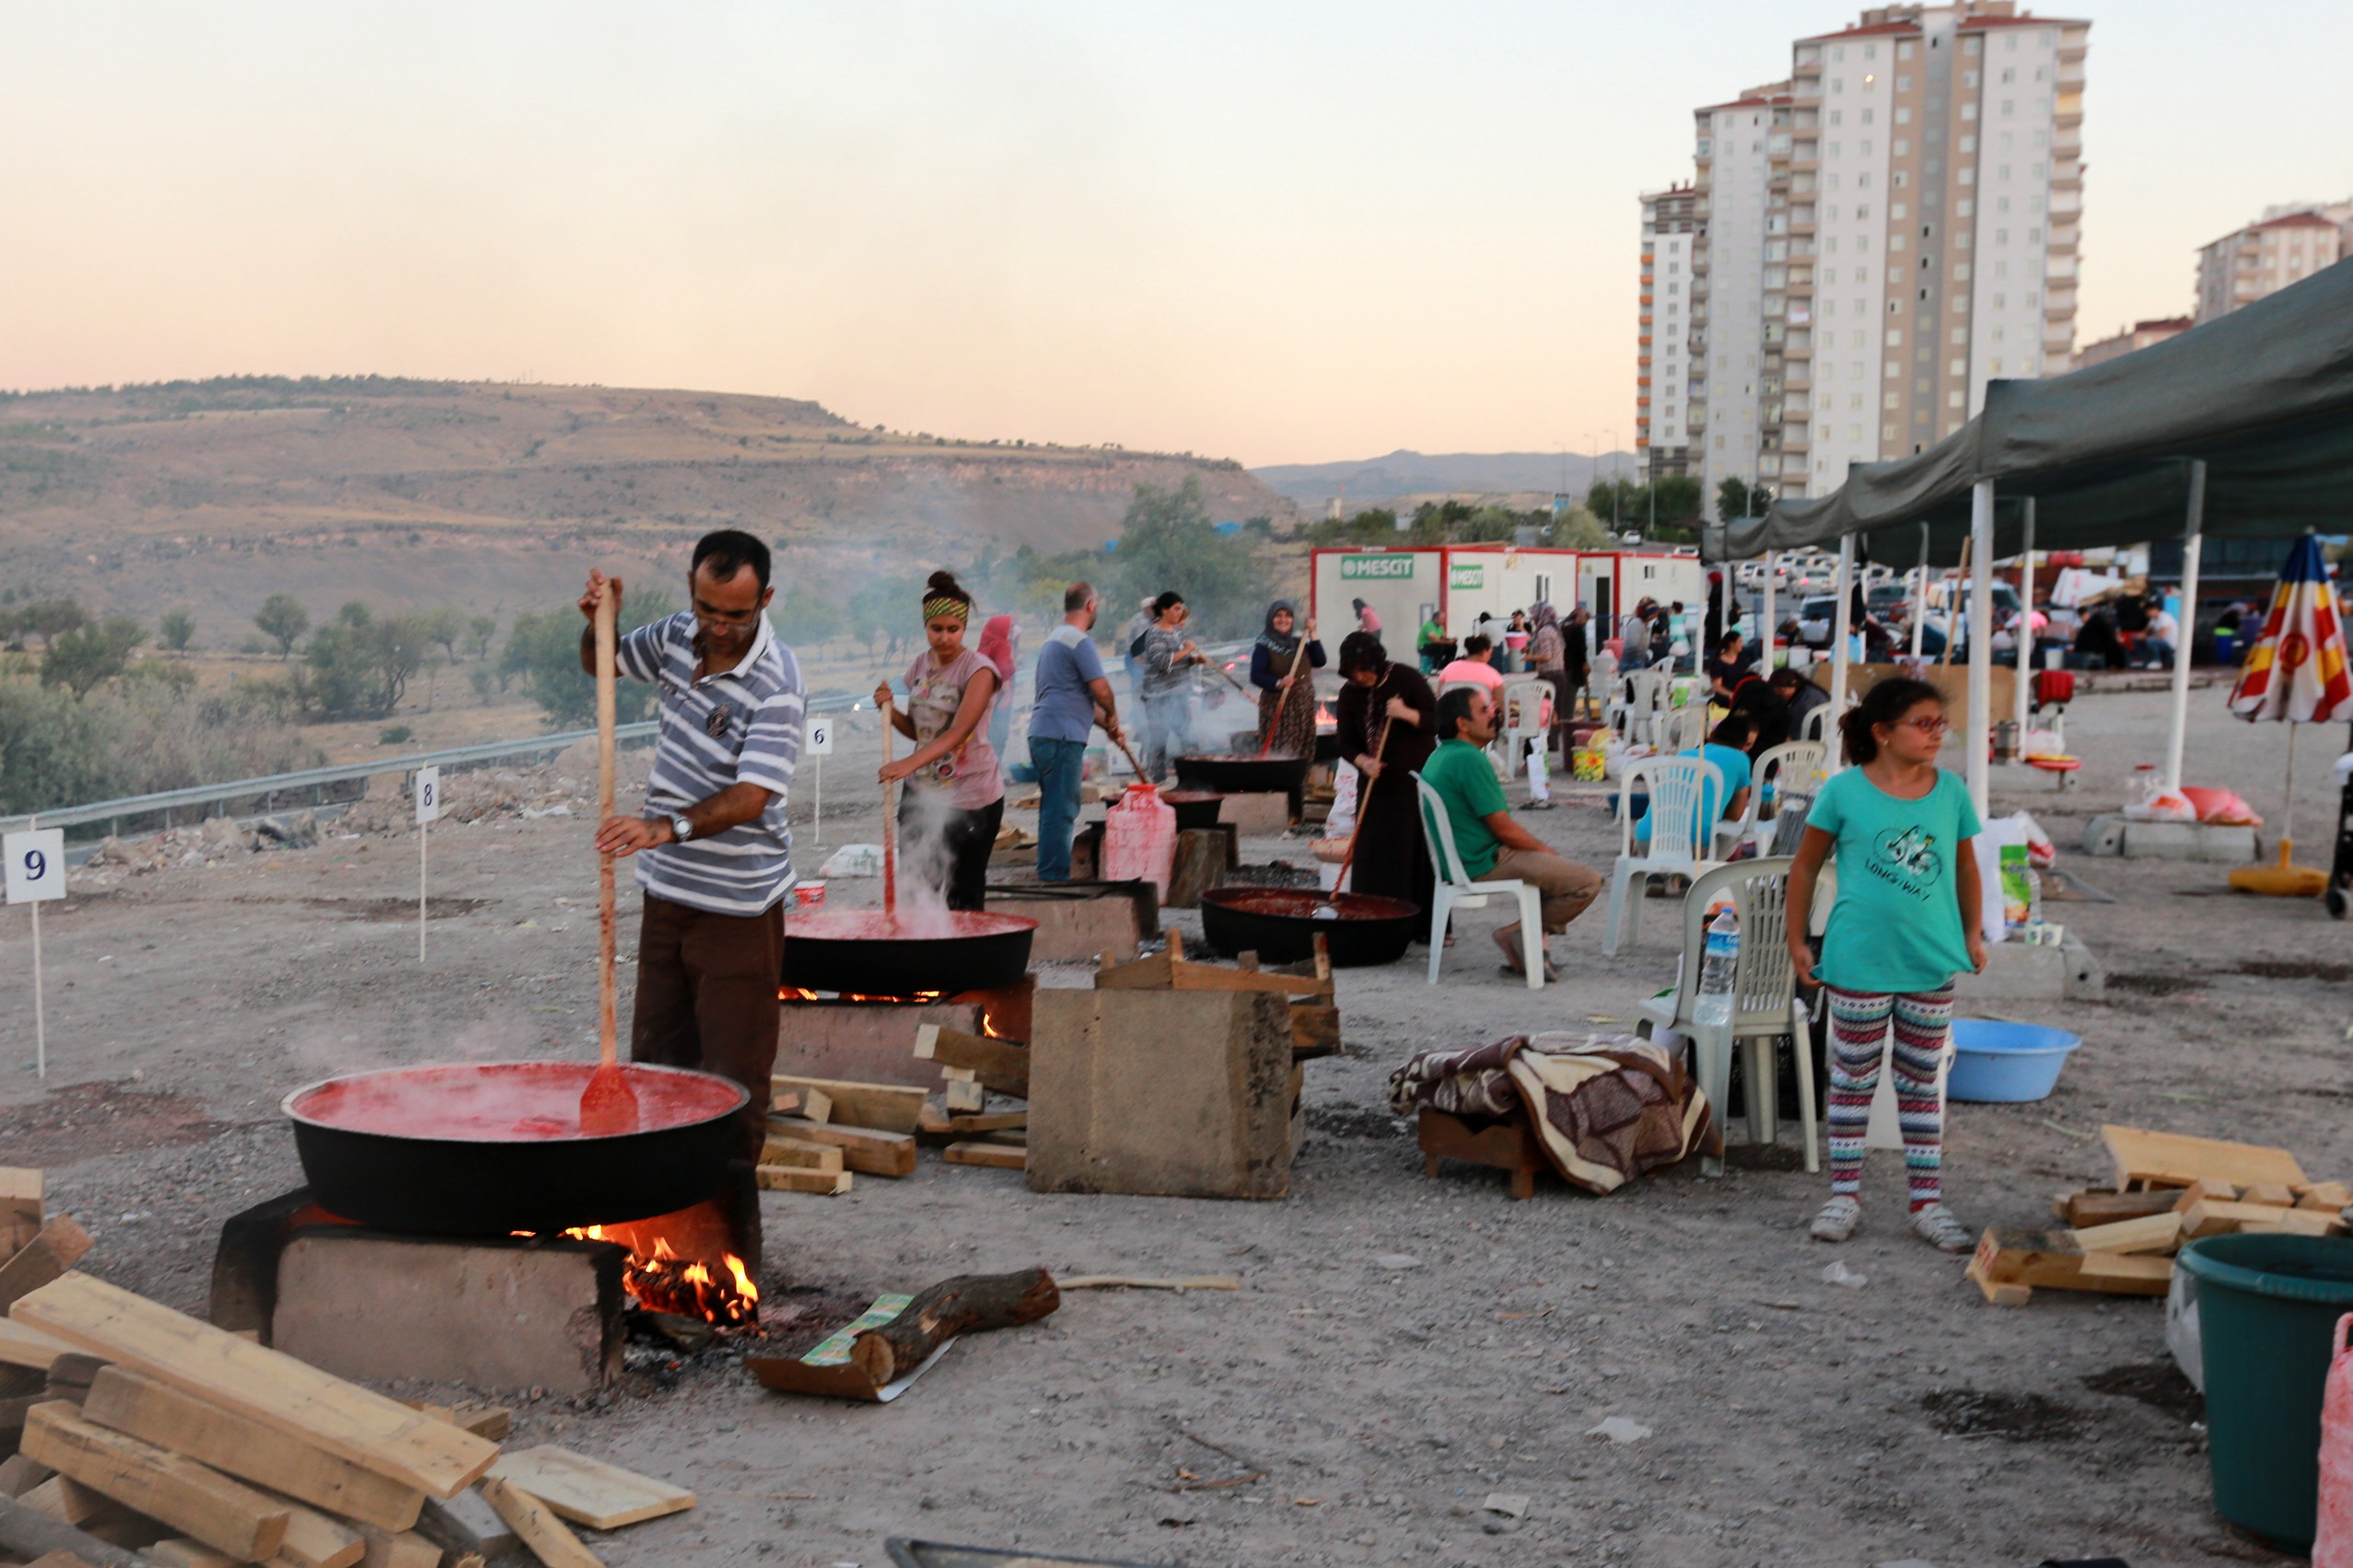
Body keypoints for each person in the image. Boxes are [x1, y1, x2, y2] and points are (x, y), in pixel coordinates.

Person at [582, 529, 804, 1164]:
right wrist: (603, 624)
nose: (720, 626)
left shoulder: (778, 681)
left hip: (737, 905)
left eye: (736, 614)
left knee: (731, 1076)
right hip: (666, 895)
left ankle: (729, 1233)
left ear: (764, 597)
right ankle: (659, 1221)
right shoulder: (675, 636)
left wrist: (664, 827)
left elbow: (752, 796)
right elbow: (603, 664)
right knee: (658, 1063)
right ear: (691, 588)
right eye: (709, 609)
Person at [1786, 677, 1986, 1253]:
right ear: (1882, 732)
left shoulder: (1951, 793)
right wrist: (1798, 940)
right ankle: (1842, 1196)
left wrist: (1973, 932)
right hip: (1856, 961)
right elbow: (1803, 868)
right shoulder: (1843, 792)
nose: (1936, 734)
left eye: (1939, 724)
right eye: (1924, 724)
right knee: (1852, 1079)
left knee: (1921, 1082)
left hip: (1930, 961)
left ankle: (1927, 1204)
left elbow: (1967, 869)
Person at [1420, 686, 1602, 979]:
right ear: (1462, 724)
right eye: (1484, 710)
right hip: (1484, 861)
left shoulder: (1442, 755)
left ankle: (1529, 947)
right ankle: (1516, 933)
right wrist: (1546, 852)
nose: (1494, 714)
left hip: (1466, 858)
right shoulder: (1470, 759)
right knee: (1586, 881)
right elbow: (1504, 828)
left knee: (1551, 872)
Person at [874, 572, 1006, 912]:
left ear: (964, 629)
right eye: (936, 629)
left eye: (953, 629)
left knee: (962, 894)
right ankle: (921, 957)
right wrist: (888, 709)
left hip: (970, 795)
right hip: (922, 791)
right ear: (925, 626)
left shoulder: (979, 670)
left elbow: (959, 732)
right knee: (918, 885)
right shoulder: (920, 663)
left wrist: (907, 764)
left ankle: (965, 963)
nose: (944, 637)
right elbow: (921, 732)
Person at [1333, 632, 1438, 919]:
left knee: (1415, 852)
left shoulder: (1406, 678)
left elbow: (1436, 719)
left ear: (1376, 662)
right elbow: (1344, 742)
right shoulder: (1349, 693)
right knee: (1374, 853)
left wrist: (1406, 713)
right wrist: (1363, 761)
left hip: (1413, 783)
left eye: (1364, 670)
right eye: (1353, 672)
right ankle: (1374, 914)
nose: (1360, 678)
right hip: (1375, 787)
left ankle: (1421, 922)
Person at [1029, 582, 1124, 882]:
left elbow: (1076, 699)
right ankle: (1054, 877)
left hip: (1044, 734)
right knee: (1062, 810)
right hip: (1062, 737)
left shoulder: (1054, 640)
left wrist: (1107, 726)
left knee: (1053, 808)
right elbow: (1101, 690)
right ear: (1091, 605)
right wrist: (1113, 715)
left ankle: (1049, 872)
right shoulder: (1079, 641)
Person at [1635, 712, 1753, 849]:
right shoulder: (1740, 759)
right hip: (1695, 847)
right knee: (1735, 833)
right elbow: (1735, 816)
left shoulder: (1683, 754)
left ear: (1712, 736)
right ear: (1743, 745)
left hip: (1647, 841)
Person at [1137, 590, 1206, 780]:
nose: (1179, 613)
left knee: (1187, 737)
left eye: (1181, 609)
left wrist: (1193, 660)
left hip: (1179, 693)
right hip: (1158, 697)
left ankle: (1193, 778)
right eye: (1176, 609)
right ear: (1164, 610)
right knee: (1159, 740)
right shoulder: (1153, 634)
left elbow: (1179, 660)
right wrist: (1187, 650)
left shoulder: (1177, 632)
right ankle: (1158, 780)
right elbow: (1163, 662)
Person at [1249, 599, 1325, 756]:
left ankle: (1300, 777)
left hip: (1303, 707)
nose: (1283, 620)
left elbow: (1320, 660)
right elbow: (1256, 675)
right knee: (1280, 749)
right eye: (1278, 616)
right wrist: (1278, 683)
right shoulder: (1264, 645)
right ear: (1271, 619)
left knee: (1303, 750)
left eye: (1288, 616)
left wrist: (1313, 633)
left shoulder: (1299, 641)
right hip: (1279, 706)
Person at [979, 613, 1019, 762]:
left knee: (987, 733)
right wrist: (1008, 694)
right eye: (1009, 627)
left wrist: (1015, 642)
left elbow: (1010, 663)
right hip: (1000, 695)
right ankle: (995, 771)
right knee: (999, 733)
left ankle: (989, 770)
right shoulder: (1001, 644)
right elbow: (1003, 670)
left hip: (987, 694)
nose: (1011, 630)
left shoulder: (988, 643)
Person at [1771, 665, 1829, 743]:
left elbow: (1792, 741)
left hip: (1810, 744)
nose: (1779, 695)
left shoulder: (1803, 703)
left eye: (1781, 690)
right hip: (1825, 738)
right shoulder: (1809, 690)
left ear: (1794, 683)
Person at [1437, 633, 1508, 696]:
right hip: (1479, 709)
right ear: (1484, 652)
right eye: (1490, 654)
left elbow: (1440, 695)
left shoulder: (1449, 668)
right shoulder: (1492, 673)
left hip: (1452, 710)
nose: (1490, 657)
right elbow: (1504, 704)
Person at [1706, 631, 1749, 703]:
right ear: (1732, 644)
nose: (1742, 644)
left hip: (1741, 695)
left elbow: (1748, 674)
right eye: (1740, 642)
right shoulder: (1719, 663)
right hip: (1726, 699)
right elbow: (1717, 687)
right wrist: (1730, 694)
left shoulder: (1742, 658)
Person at [2142, 598, 2180, 668]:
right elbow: (2146, 631)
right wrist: (2141, 636)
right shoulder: (2153, 619)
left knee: (2150, 640)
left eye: (2148, 611)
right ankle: (2145, 661)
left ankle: (2157, 661)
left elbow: (2162, 635)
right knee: (2136, 639)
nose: (2147, 614)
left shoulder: (2165, 617)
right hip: (2161, 642)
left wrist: (2146, 637)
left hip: (2170, 644)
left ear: (2155, 609)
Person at [1417, 609, 1448, 673]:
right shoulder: (1429, 625)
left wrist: (1451, 641)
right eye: (1442, 619)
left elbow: (1443, 638)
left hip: (1433, 646)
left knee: (1453, 646)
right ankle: (1435, 667)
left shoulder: (1441, 627)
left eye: (1444, 619)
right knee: (1439, 645)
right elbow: (1435, 640)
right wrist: (1448, 642)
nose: (1443, 621)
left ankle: (1445, 665)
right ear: (1435, 619)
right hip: (1424, 646)